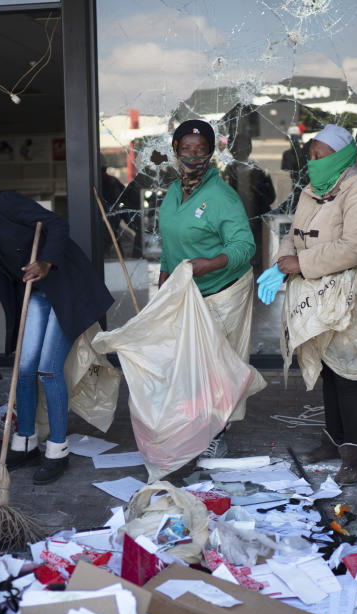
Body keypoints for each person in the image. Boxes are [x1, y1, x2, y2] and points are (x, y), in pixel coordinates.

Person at [0, 182, 113, 484]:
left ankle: (57, 450)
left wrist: (45, 261)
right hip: (35, 294)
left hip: (62, 286)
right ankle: (25, 442)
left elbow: (56, 223)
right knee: (24, 368)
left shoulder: (6, 203)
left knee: (48, 370)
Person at [261, 124, 357, 486]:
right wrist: (283, 262)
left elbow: (356, 247)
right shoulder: (311, 191)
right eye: (311, 156)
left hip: (353, 293)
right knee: (330, 371)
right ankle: (332, 440)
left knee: (350, 373)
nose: (314, 163)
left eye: (321, 156)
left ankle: (354, 454)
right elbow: (294, 234)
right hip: (318, 292)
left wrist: (302, 264)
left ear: (343, 156)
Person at [158, 119, 256, 458]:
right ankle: (194, 426)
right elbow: (169, 246)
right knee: (188, 365)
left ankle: (217, 433)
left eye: (200, 151)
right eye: (185, 149)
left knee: (216, 368)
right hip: (184, 293)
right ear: (175, 151)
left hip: (220, 292)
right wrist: (163, 286)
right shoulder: (172, 193)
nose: (192, 156)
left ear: (211, 154)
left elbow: (245, 247)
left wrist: (209, 263)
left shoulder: (222, 196)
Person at [224, 132, 275, 269]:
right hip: (242, 223)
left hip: (254, 222)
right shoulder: (229, 171)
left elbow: (270, 197)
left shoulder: (254, 171)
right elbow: (271, 196)